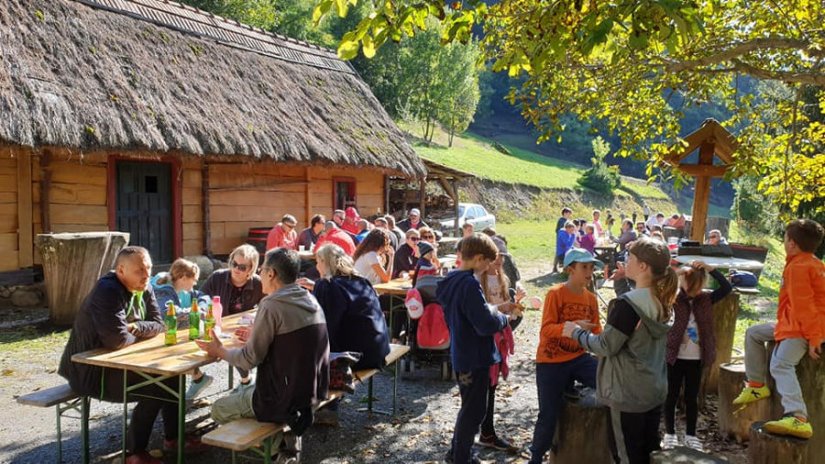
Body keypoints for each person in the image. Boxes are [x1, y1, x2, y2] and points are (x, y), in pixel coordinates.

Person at [59, 247, 204, 464]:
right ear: (121, 270)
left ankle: (173, 438)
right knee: (157, 385)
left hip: (118, 365)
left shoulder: (143, 286)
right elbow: (116, 340)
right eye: (139, 270)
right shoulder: (107, 290)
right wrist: (137, 332)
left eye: (149, 269)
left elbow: (160, 324)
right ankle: (134, 454)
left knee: (173, 376)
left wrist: (136, 327)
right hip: (89, 373)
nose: (146, 275)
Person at [196, 248, 329, 463]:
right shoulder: (309, 298)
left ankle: (277, 448)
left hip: (281, 397)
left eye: (262, 268)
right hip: (312, 390)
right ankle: (285, 438)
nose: (259, 272)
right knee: (245, 392)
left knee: (218, 408)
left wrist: (218, 351)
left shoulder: (272, 303)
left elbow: (249, 360)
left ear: (271, 274)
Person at [562, 237, 677, 464]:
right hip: (652, 390)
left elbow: (605, 346)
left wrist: (575, 332)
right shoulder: (662, 298)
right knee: (648, 452)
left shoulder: (628, 305)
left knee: (626, 456)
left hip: (627, 395)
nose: (626, 261)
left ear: (643, 266)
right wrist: (624, 280)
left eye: (630, 258)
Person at [732, 219, 825, 439]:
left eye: (784, 238)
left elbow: (805, 308)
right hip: (792, 323)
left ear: (792, 243)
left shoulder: (800, 267)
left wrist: (814, 338)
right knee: (753, 333)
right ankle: (756, 384)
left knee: (781, 363)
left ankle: (797, 416)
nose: (783, 241)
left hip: (804, 328)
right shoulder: (809, 262)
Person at [436, 234, 520, 464]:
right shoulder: (470, 283)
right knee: (474, 412)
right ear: (479, 258)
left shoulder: (451, 280)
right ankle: (461, 457)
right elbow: (484, 324)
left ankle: (457, 452)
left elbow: (475, 312)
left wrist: (492, 309)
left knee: (468, 409)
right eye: (487, 263)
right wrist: (503, 317)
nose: (487, 268)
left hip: (462, 353)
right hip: (475, 357)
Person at [529, 248, 603, 464]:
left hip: (578, 358)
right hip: (550, 362)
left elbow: (597, 331)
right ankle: (536, 457)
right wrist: (572, 327)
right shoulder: (555, 293)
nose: (590, 272)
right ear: (571, 269)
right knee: (548, 414)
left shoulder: (591, 298)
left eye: (592, 267)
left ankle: (604, 447)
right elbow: (546, 330)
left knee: (606, 381)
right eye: (584, 267)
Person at [662, 260, 732, 451]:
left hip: (696, 358)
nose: (680, 282)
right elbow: (660, 285)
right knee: (671, 395)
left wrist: (711, 268)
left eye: (684, 279)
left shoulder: (707, 299)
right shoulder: (673, 299)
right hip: (674, 356)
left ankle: (691, 435)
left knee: (692, 397)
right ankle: (670, 433)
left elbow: (727, 287)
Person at [477, 242, 524, 453]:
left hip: (498, 342)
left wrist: (517, 306)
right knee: (480, 389)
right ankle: (474, 438)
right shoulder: (478, 281)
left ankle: (487, 432)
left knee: (491, 387)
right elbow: (482, 315)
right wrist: (502, 310)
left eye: (501, 257)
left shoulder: (504, 280)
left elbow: (510, 319)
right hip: (484, 341)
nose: (499, 260)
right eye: (496, 256)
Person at [201, 244, 264, 389]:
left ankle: (246, 380)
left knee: (241, 343)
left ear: (251, 269)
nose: (236, 269)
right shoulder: (218, 277)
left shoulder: (258, 283)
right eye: (234, 264)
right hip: (219, 327)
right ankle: (198, 378)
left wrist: (255, 322)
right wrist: (204, 307)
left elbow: (268, 305)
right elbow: (201, 296)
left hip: (241, 330)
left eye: (242, 267)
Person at [151, 258, 213, 400]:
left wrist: (201, 306)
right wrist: (195, 312)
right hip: (158, 334)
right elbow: (168, 313)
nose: (196, 283)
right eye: (195, 280)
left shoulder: (180, 289)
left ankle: (197, 378)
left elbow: (201, 295)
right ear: (184, 278)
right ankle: (193, 381)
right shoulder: (163, 291)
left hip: (169, 332)